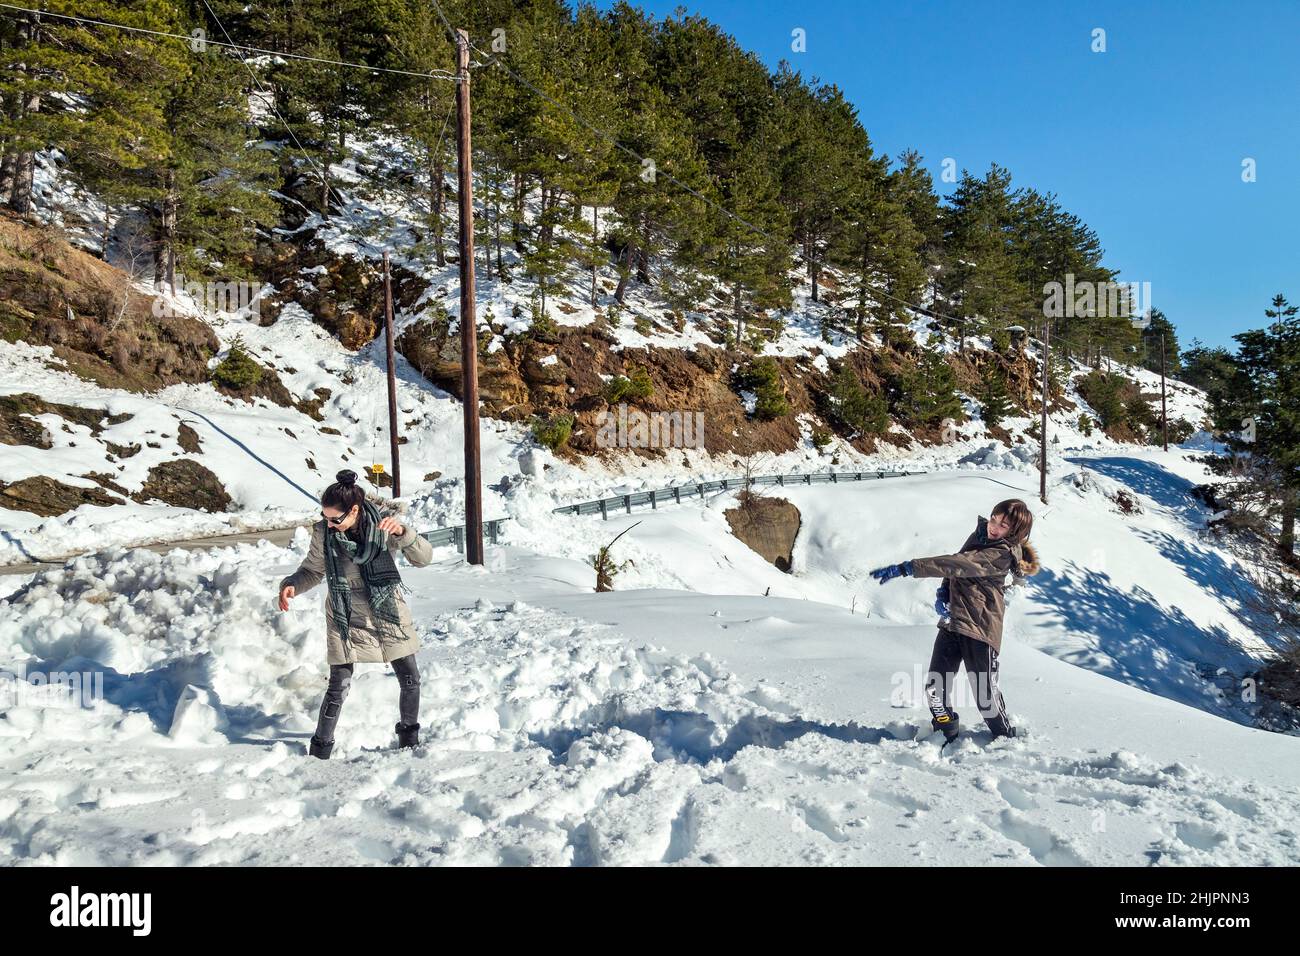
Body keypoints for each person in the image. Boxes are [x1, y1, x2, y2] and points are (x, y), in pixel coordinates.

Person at [278, 469, 433, 758]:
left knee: (410, 678)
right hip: (345, 615)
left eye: (335, 518)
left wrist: (402, 532)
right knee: (338, 685)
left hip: (387, 610)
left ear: (355, 510)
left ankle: (409, 743)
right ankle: (320, 751)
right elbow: (312, 570)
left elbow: (424, 558)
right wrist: (292, 585)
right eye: (325, 517)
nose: (330, 524)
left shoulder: (383, 526)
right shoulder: (325, 533)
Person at [869, 498, 1040, 743]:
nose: (994, 526)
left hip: (980, 628)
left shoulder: (1001, 553)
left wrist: (909, 568)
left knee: (985, 695)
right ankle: (945, 730)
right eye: (994, 519)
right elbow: (955, 569)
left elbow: (958, 564)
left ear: (1014, 532)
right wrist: (943, 592)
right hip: (953, 623)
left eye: (1003, 525)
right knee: (935, 688)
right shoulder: (980, 536)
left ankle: (1006, 739)